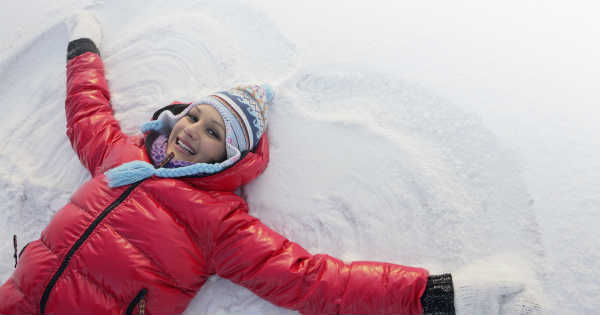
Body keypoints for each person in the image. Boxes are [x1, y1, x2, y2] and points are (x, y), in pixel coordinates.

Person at [0, 12, 541, 315]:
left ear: (230, 155)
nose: (192, 132)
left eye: (213, 133)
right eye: (194, 117)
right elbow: (86, 112)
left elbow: (313, 282)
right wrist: (84, 48)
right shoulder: (121, 156)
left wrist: (435, 294)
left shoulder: (219, 222)